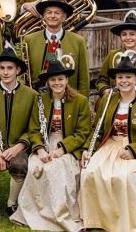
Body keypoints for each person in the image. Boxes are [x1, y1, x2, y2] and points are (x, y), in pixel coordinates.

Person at [80, 54, 136, 232]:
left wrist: (134, 150)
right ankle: (98, 219)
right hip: (111, 144)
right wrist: (87, 149)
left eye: (128, 77)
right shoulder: (107, 100)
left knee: (124, 176)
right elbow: (97, 129)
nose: (124, 81)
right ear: (115, 80)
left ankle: (125, 221)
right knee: (90, 172)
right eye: (120, 77)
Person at [11, 58, 92, 231]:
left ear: (66, 80)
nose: (57, 83)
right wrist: (40, 150)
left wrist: (61, 149)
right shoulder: (40, 100)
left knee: (57, 169)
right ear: (47, 82)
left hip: (69, 147)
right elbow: (33, 130)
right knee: (36, 167)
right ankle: (36, 213)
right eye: (53, 80)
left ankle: (61, 215)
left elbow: (82, 132)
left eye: (60, 79)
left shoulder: (80, 101)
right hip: (44, 144)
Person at [0, 44, 38, 217]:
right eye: (1, 68)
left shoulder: (31, 95)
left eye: (10, 68)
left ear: (18, 70)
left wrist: (18, 147)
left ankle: (12, 202)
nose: (5, 72)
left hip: (18, 146)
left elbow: (33, 128)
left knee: (20, 165)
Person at [22, 0, 90, 94]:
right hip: (37, 97)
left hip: (69, 99)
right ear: (43, 16)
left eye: (57, 13)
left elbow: (84, 78)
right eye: (49, 12)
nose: (52, 16)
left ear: (64, 17)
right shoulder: (29, 39)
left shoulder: (78, 41)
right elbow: (23, 74)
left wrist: (83, 103)